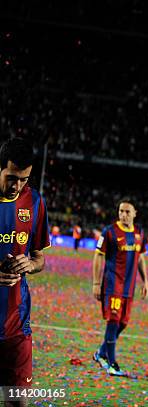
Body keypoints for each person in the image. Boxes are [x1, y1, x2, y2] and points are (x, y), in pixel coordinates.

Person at [0, 137, 50, 393]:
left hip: (17, 325)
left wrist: (29, 264)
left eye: (24, 179)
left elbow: (39, 257)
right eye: (11, 177)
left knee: (17, 399)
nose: (17, 186)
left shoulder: (34, 201)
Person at [92, 198, 148, 377]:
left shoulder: (139, 232)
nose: (123, 215)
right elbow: (98, 256)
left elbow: (140, 258)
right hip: (112, 284)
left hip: (129, 286)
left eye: (127, 211)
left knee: (123, 323)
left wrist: (145, 281)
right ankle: (112, 363)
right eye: (121, 211)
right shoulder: (109, 232)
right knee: (114, 320)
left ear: (134, 213)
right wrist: (96, 282)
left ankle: (101, 353)